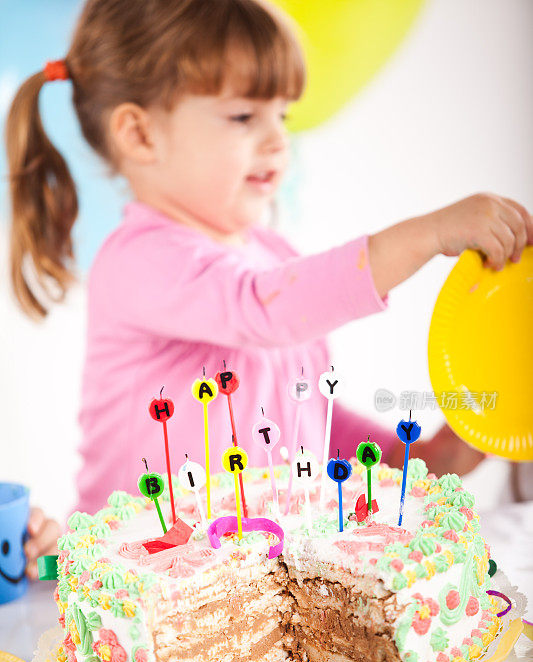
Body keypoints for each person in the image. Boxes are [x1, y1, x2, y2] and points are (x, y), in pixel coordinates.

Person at [6, 0, 532, 579]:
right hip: (136, 588)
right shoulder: (137, 261)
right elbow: (263, 308)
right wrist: (427, 234)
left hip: (249, 584)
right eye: (243, 117)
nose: (279, 141)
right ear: (139, 133)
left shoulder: (271, 256)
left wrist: (418, 460)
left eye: (282, 114)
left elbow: (306, 413)